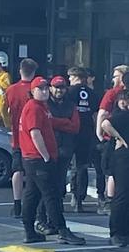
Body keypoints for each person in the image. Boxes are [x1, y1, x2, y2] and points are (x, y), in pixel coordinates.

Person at [20, 77, 85, 245]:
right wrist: (46, 156)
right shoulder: (34, 108)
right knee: (52, 195)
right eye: (40, 89)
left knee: (32, 194)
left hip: (33, 159)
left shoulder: (42, 108)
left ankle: (29, 231)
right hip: (38, 159)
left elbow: (51, 123)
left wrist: (65, 123)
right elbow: (35, 133)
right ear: (32, 91)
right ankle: (62, 230)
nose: (44, 91)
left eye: (45, 88)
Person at [35, 76, 79, 234]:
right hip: (48, 151)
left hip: (65, 151)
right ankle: (41, 220)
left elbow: (75, 127)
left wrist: (56, 122)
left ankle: (54, 221)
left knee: (59, 188)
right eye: (56, 87)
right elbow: (46, 123)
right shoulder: (45, 105)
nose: (59, 90)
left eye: (62, 87)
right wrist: (64, 122)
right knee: (46, 188)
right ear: (51, 88)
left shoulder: (71, 106)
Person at [5, 57, 38, 217]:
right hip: (33, 134)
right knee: (33, 170)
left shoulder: (11, 90)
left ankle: (17, 203)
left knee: (17, 169)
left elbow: (6, 110)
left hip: (16, 134)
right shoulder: (35, 89)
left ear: (20, 70)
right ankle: (32, 202)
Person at [67, 66, 101, 212]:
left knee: (69, 166)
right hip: (86, 133)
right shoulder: (92, 94)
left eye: (70, 77)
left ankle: (73, 195)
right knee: (82, 166)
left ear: (76, 77)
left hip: (71, 132)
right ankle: (80, 198)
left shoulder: (70, 92)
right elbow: (95, 115)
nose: (68, 79)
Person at [96, 66, 129, 211]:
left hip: (115, 138)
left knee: (114, 173)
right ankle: (110, 201)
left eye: (116, 76)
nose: (114, 79)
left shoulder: (114, 93)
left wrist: (99, 133)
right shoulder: (116, 94)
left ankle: (110, 200)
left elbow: (102, 114)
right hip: (117, 140)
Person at [100, 91, 129, 247]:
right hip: (123, 157)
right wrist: (119, 137)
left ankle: (124, 231)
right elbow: (105, 123)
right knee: (122, 195)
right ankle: (117, 232)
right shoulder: (124, 116)